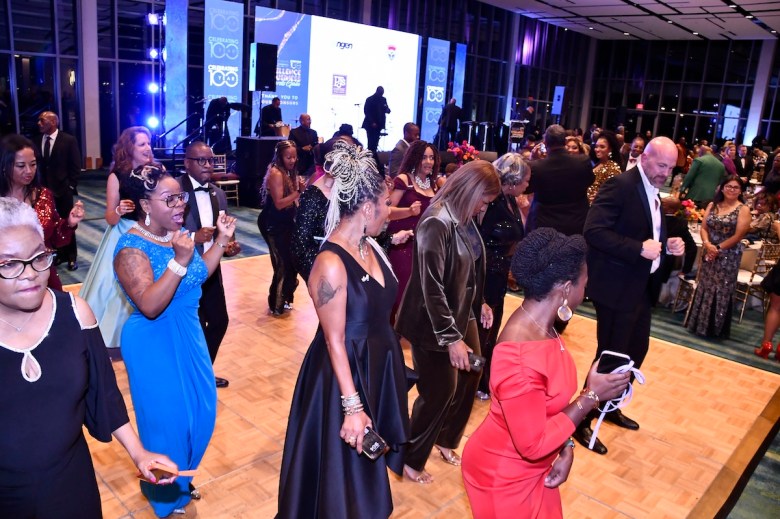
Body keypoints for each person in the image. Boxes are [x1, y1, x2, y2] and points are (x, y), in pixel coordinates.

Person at [0, 197, 179, 518]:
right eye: (9, 264)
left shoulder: (75, 313)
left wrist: (139, 453)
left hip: (70, 484)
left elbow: (105, 394)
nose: (30, 274)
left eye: (39, 257)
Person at [277, 142, 409, 518]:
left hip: (373, 366)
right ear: (367, 207)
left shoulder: (370, 246)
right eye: (385, 204)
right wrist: (352, 407)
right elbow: (334, 339)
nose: (389, 211)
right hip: (342, 378)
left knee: (362, 477)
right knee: (340, 480)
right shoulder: (331, 263)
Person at [462, 228, 630, 519]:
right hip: (502, 479)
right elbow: (532, 444)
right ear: (565, 288)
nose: (585, 291)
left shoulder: (543, 327)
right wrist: (591, 396)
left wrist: (565, 447)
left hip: (537, 468)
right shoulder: (519, 356)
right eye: (583, 283)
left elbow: (543, 409)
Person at [114, 164, 237, 517]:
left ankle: (180, 480)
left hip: (188, 334)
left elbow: (199, 273)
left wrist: (221, 241)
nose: (180, 204)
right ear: (145, 204)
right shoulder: (130, 249)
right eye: (169, 199)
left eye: (180, 196)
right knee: (166, 426)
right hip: (154, 343)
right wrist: (180, 262)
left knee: (200, 414)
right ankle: (167, 501)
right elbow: (150, 305)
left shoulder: (176, 234)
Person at [576, 136, 685, 455]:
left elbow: (650, 234)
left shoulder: (653, 189)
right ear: (645, 158)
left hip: (639, 287)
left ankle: (607, 407)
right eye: (662, 165)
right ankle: (581, 420)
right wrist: (638, 248)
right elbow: (594, 231)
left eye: (671, 168)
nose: (666, 173)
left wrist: (670, 246)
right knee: (610, 354)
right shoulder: (620, 185)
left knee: (636, 350)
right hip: (615, 287)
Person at [395, 160, 501, 484]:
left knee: (474, 371)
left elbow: (469, 265)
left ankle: (445, 438)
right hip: (431, 321)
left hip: (461, 310)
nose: (485, 207)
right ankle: (409, 458)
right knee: (441, 389)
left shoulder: (464, 217)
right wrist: (451, 339)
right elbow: (431, 286)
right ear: (471, 191)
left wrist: (478, 301)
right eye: (484, 200)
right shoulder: (436, 222)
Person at [79, 126, 153, 348]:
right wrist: (119, 210)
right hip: (125, 235)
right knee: (118, 288)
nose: (148, 148)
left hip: (153, 234)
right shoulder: (116, 176)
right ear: (129, 148)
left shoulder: (157, 170)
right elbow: (110, 218)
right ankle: (118, 337)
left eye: (148, 143)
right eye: (142, 144)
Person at [180, 141, 240, 389]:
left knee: (218, 321)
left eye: (210, 160)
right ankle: (187, 375)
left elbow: (223, 235)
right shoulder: (175, 191)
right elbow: (161, 230)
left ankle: (201, 372)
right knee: (189, 327)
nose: (208, 165)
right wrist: (194, 238)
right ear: (187, 163)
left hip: (210, 271)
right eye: (201, 160)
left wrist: (229, 246)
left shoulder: (218, 193)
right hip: (182, 272)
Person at [475, 153, 528, 401]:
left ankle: (483, 379)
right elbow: (478, 239)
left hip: (499, 274)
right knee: (482, 330)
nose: (528, 185)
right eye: (525, 180)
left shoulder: (510, 200)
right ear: (513, 180)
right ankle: (474, 380)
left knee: (492, 329)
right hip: (485, 273)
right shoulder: (492, 202)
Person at [0, 134, 84, 291]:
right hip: (7, 277)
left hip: (42, 270)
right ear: (5, 165)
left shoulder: (43, 195)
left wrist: (70, 223)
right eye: (21, 166)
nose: (29, 171)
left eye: (33, 164)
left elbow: (55, 240)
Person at [687, 175, 751, 338]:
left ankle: (715, 329)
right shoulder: (712, 205)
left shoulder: (743, 209)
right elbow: (704, 227)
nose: (731, 190)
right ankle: (699, 325)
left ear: (740, 191)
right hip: (709, 252)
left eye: (735, 187)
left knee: (721, 289)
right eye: (728, 186)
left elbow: (739, 235)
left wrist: (717, 248)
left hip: (728, 256)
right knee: (705, 286)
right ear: (722, 188)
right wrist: (708, 244)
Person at [387, 140, 439, 321]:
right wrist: (408, 211)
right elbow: (386, 212)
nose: (428, 162)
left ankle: (408, 329)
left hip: (424, 246)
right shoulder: (404, 180)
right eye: (424, 157)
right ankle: (393, 330)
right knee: (402, 289)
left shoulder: (434, 185)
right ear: (415, 158)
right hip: (402, 244)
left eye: (432, 158)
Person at [257, 140, 303, 315]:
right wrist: (298, 192)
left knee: (292, 262)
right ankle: (276, 303)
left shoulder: (289, 172)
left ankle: (285, 296)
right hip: (272, 222)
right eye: (288, 157)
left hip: (286, 221)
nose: (292, 160)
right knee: (282, 264)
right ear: (280, 156)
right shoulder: (276, 173)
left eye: (294, 157)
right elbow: (279, 204)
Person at [526, 124, 594, 236]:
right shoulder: (583, 161)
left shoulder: (536, 166)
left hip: (543, 226)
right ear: (564, 142)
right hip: (576, 224)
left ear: (546, 143)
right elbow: (590, 181)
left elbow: (527, 189)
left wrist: (532, 161)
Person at [34, 111, 81, 271]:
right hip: (43, 192)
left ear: (53, 122)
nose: (38, 124)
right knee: (50, 224)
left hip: (63, 190)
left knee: (68, 223)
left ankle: (71, 257)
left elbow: (75, 165)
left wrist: (70, 186)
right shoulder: (37, 140)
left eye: (42, 121)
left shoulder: (68, 140)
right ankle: (59, 254)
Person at [587, 130, 624, 204]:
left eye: (602, 147)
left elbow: (614, 193)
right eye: (596, 146)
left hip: (598, 207)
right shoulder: (597, 163)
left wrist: (599, 196)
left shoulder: (613, 167)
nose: (597, 149)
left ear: (610, 149)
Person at [362, 86, 391, 155]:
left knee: (375, 143)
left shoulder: (383, 99)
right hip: (370, 125)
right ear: (377, 91)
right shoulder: (370, 99)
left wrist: (387, 110)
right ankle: (369, 156)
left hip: (379, 124)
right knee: (371, 142)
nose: (381, 94)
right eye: (381, 93)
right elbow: (367, 112)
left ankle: (374, 155)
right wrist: (372, 122)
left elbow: (387, 109)